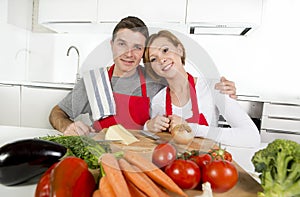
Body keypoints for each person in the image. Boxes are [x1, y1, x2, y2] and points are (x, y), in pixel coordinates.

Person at [49, 16, 237, 136]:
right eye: (122, 44)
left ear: (144, 52)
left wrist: (221, 91)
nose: (129, 54)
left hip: (144, 159)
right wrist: (66, 126)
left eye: (137, 47)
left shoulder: (155, 79)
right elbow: (57, 113)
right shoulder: (93, 82)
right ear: (112, 45)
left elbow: (188, 85)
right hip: (101, 156)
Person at [143, 30, 260, 148]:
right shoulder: (158, 101)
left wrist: (191, 128)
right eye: (153, 59)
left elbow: (251, 137)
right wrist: (148, 127)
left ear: (179, 50)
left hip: (206, 162)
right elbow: (154, 144)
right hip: (175, 165)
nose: (161, 59)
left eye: (165, 50)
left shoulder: (215, 87)